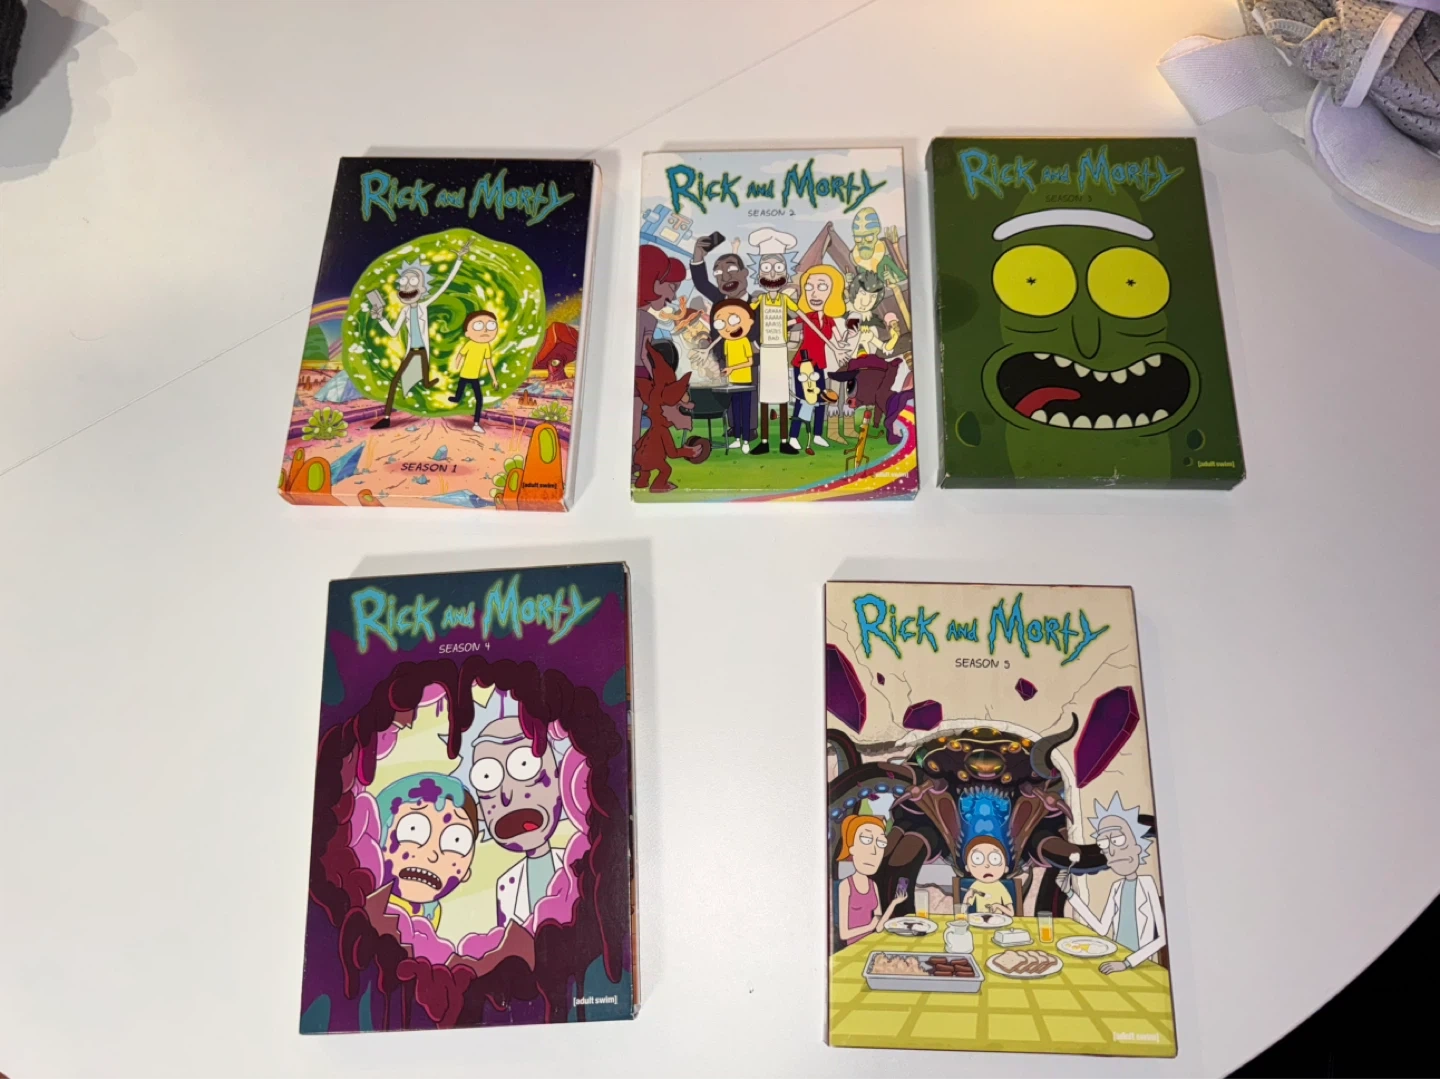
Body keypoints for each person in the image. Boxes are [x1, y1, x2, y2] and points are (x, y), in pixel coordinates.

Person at [453, 707, 568, 927]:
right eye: (487, 777)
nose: (507, 794)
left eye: (524, 765)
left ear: (561, 776)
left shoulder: (578, 866)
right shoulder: (506, 886)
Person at [367, 239, 474, 429]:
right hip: (412, 351)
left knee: (424, 380)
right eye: (404, 283)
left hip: (423, 351)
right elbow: (393, 332)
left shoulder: (424, 306)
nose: (408, 287)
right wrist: (380, 317)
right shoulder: (404, 311)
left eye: (413, 282)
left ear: (422, 289)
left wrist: (458, 260)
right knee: (396, 381)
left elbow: (444, 285)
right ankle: (386, 418)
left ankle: (428, 381)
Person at [1059, 794, 1168, 973]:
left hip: (1140, 966)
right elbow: (1102, 928)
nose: (1112, 851)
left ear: (1137, 846)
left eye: (1117, 840)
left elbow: (1162, 938)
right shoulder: (1117, 887)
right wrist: (1070, 893)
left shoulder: (1148, 884)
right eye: (1104, 844)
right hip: (1116, 960)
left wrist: (1127, 963)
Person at [374, 772, 480, 931]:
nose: (432, 855)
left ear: (466, 872)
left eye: (456, 841)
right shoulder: (366, 900)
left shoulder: (430, 912)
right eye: (413, 829)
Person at [747, 228, 798, 455]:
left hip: (781, 351)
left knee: (783, 398)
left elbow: (799, 317)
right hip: (766, 351)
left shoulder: (786, 299)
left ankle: (785, 441)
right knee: (766, 399)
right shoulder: (759, 300)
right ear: (759, 273)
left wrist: (787, 325)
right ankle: (765, 441)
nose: (772, 274)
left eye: (778, 269)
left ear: (786, 272)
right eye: (766, 269)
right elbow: (747, 318)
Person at [793, 264, 850, 450]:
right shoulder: (806, 316)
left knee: (821, 399)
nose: (814, 293)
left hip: (819, 363)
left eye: (822, 287)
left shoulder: (829, 320)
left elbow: (838, 339)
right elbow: (790, 323)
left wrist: (841, 347)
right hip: (803, 362)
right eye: (809, 287)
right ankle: (794, 436)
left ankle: (817, 434)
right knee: (803, 399)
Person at [836, 814, 904, 945]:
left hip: (872, 943)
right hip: (854, 949)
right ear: (852, 847)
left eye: (881, 843)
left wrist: (895, 903)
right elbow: (844, 934)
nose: (874, 851)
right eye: (866, 840)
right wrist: (870, 927)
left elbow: (878, 927)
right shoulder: (846, 886)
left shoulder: (873, 885)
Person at [711, 298, 756, 452]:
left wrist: (732, 368)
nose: (729, 327)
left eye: (734, 320)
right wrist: (726, 372)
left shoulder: (744, 341)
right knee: (735, 410)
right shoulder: (727, 343)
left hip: (746, 381)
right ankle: (737, 439)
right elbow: (728, 361)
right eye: (721, 324)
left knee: (745, 411)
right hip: (732, 382)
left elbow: (749, 362)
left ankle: (746, 441)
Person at [448, 310, 499, 432]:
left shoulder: (486, 346)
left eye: (491, 325)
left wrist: (494, 379)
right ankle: (456, 399)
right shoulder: (470, 343)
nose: (485, 330)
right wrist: (456, 364)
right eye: (478, 326)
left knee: (479, 400)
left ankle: (476, 423)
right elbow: (461, 354)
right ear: (467, 333)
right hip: (464, 375)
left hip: (474, 377)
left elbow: (489, 363)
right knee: (458, 396)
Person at [960, 835, 1015, 915]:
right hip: (980, 920)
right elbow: (962, 913)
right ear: (968, 868)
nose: (987, 865)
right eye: (977, 859)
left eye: (995, 859)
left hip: (998, 920)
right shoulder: (976, 886)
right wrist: (966, 898)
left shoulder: (1000, 887)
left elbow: (1011, 913)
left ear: (1005, 868)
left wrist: (998, 906)